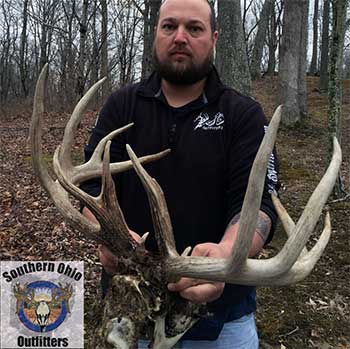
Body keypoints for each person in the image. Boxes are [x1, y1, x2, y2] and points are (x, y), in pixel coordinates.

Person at [80, 0, 279, 347]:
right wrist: (106, 233)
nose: (180, 37)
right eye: (169, 26)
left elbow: (261, 203)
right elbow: (89, 183)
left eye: (195, 28)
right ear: (156, 34)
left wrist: (226, 253)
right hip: (132, 309)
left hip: (220, 319)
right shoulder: (120, 106)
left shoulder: (244, 116)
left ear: (214, 38)